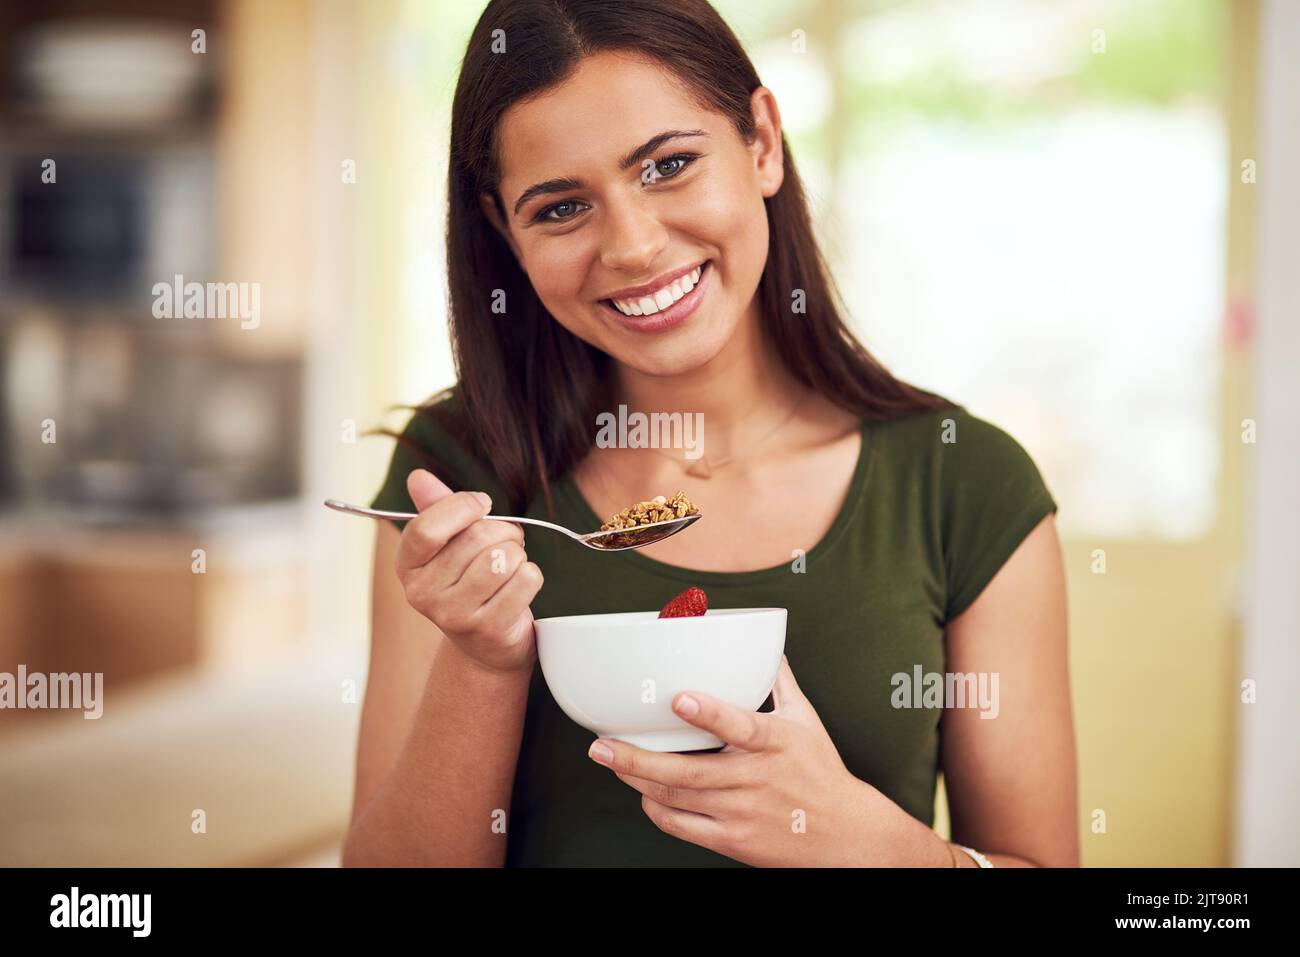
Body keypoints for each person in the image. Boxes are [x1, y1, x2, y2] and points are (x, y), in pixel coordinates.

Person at [342, 0, 1078, 868]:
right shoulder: (455, 476)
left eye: (668, 165)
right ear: (505, 230)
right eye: (561, 208)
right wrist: (482, 659)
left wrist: (876, 848)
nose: (633, 246)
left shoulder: (965, 484)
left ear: (762, 142)